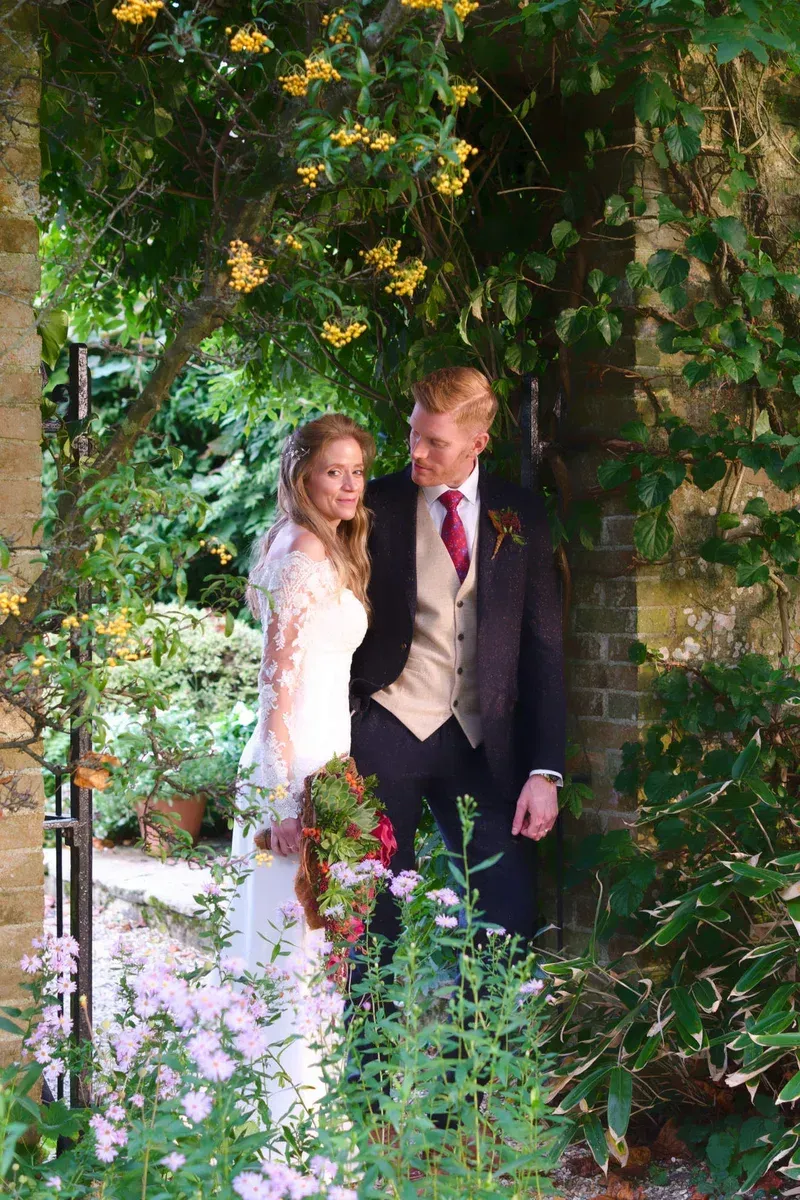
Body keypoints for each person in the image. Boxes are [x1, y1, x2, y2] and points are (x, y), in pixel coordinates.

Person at [350, 365, 566, 958]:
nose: (417, 450)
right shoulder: (373, 506)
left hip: (483, 742)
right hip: (387, 729)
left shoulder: (521, 513)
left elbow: (544, 645)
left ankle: (493, 1049)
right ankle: (371, 1050)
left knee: (505, 917)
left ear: (477, 443)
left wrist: (545, 771)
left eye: (435, 441)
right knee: (374, 916)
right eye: (414, 433)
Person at [225, 412, 375, 1125]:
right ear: (301, 476)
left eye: (356, 472)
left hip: (324, 764)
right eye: (333, 472)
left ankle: (301, 1116)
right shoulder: (304, 555)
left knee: (312, 952)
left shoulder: (326, 546)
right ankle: (279, 1126)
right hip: (295, 772)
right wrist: (282, 803)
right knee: (289, 954)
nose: (348, 485)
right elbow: (276, 686)